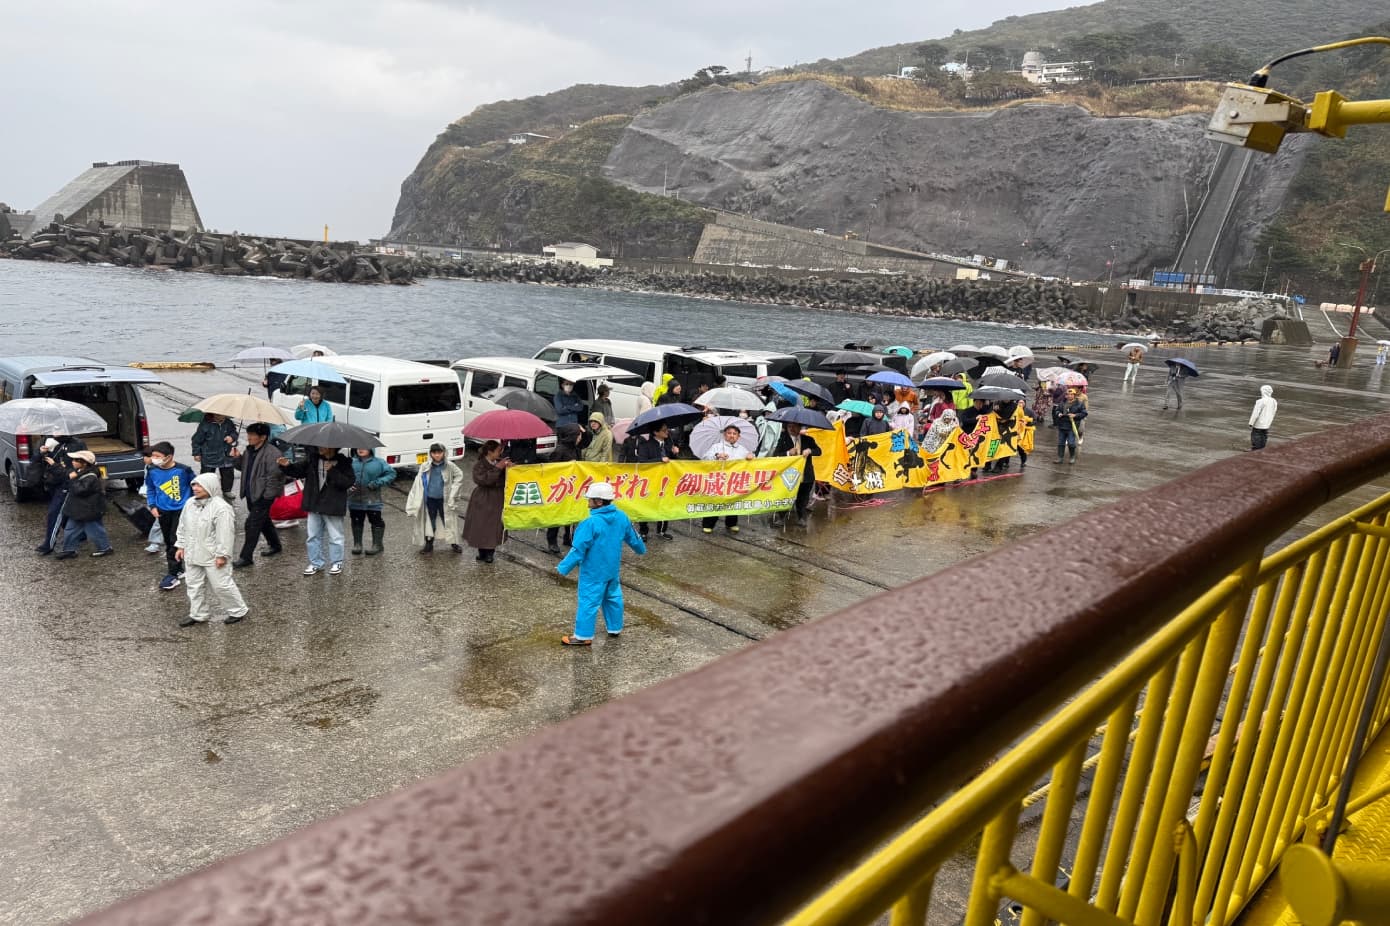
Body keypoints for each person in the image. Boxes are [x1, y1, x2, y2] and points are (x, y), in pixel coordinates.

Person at [556, 482, 646, 646]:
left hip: (593, 571)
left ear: (598, 501)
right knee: (613, 597)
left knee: (588, 602)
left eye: (590, 499)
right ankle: (614, 628)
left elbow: (578, 550)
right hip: (612, 569)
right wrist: (641, 550)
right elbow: (635, 538)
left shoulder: (589, 523)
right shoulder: (621, 516)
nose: (587, 502)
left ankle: (582, 636)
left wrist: (563, 568)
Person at [174, 473, 249, 627]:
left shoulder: (221, 508)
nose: (195, 488)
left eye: (199, 485)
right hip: (192, 552)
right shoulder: (190, 504)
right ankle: (198, 614)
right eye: (194, 485)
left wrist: (222, 555)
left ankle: (238, 610)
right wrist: (180, 545)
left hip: (212, 555)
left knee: (221, 585)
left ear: (210, 486)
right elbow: (182, 527)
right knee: (193, 585)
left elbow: (225, 534)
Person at [278, 445, 355, 576]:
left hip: (332, 505)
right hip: (314, 504)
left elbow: (347, 482)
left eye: (323, 446)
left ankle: (337, 562)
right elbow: (297, 471)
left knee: (335, 536)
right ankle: (316, 563)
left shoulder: (343, 462)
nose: (319, 448)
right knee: (313, 536)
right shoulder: (312, 459)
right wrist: (286, 466)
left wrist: (333, 471)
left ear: (332, 447)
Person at [230, 423, 285, 568]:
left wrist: (267, 498)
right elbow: (244, 468)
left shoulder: (273, 454)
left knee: (252, 524)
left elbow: (275, 478)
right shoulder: (249, 450)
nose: (249, 438)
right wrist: (237, 458)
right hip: (251, 494)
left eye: (252, 435)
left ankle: (246, 557)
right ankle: (275, 545)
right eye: (249, 434)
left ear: (263, 437)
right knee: (263, 520)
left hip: (263, 497)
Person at [146, 441, 197, 591]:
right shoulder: (152, 470)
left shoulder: (183, 470)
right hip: (162, 511)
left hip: (181, 511)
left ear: (169, 457)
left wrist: (194, 506)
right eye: (153, 455)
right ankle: (179, 568)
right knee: (168, 540)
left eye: (157, 456)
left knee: (175, 540)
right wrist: (153, 505)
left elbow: (195, 487)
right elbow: (151, 489)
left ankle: (172, 574)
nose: (154, 458)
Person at [34, 434, 87, 555]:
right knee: (67, 513)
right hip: (53, 483)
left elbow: (72, 472)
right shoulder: (48, 441)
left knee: (55, 513)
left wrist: (54, 465)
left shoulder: (77, 445)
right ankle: (82, 534)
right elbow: (35, 461)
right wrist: (41, 453)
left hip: (66, 485)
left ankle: (48, 544)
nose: (55, 432)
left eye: (58, 430)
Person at [54, 451, 113, 559]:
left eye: (76, 460)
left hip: (88, 510)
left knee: (95, 531)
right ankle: (69, 550)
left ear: (84, 463)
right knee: (70, 529)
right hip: (79, 509)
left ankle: (105, 548)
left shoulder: (91, 476)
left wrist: (72, 479)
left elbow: (80, 490)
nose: (73, 462)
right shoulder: (79, 471)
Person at [405, 443, 461, 553]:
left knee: (448, 521)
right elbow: (419, 481)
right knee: (430, 521)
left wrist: (454, 490)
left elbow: (459, 475)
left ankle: (454, 543)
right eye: (434, 453)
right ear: (430, 453)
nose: (437, 455)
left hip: (444, 499)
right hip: (430, 499)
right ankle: (429, 543)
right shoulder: (425, 465)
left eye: (439, 452)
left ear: (444, 453)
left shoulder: (449, 466)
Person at [463, 440, 511, 563]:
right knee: (481, 525)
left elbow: (507, 479)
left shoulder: (500, 462)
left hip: (497, 497)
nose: (500, 453)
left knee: (494, 526)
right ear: (490, 452)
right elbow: (483, 480)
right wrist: (497, 468)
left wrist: (509, 468)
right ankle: (482, 552)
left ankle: (490, 553)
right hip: (482, 497)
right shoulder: (479, 465)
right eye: (498, 451)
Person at [700, 423, 752, 534]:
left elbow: (752, 463)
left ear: (739, 436)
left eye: (734, 433)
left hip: (734, 481)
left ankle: (731, 523)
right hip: (719, 480)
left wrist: (751, 457)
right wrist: (717, 455)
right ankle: (708, 524)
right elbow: (704, 459)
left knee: (733, 502)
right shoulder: (717, 447)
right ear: (724, 435)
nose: (731, 435)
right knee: (715, 502)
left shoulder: (743, 449)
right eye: (729, 433)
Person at [349, 446, 396, 555]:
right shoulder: (351, 462)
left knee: (376, 521)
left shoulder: (379, 462)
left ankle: (377, 545)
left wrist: (377, 482)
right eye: (358, 447)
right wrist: (349, 484)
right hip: (354, 499)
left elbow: (391, 474)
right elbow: (344, 476)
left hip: (373, 499)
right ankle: (357, 544)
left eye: (364, 447)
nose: (360, 449)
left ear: (371, 449)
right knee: (356, 521)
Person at [635, 423, 677, 541]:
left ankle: (662, 530)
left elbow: (674, 464)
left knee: (664, 505)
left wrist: (675, 454)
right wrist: (659, 460)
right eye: (664, 430)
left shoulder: (669, 445)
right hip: (650, 482)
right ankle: (643, 532)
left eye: (667, 429)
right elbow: (642, 462)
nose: (667, 432)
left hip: (665, 481)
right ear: (655, 432)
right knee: (645, 505)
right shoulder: (646, 445)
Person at [546, 424, 584, 554]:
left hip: (572, 488)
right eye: (578, 434)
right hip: (560, 489)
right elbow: (552, 470)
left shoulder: (577, 449)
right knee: (557, 515)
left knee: (571, 513)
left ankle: (568, 537)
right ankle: (552, 541)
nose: (580, 437)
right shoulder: (559, 450)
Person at [775, 422, 821, 526]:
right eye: (789, 426)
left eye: (794, 426)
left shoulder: (808, 439)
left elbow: (819, 451)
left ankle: (801, 517)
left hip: (806, 474)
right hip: (788, 475)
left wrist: (810, 450)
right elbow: (776, 454)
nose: (791, 429)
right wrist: (787, 453)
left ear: (800, 427)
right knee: (785, 496)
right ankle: (781, 517)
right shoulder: (783, 439)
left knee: (803, 497)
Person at [191, 413, 239, 497]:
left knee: (228, 474)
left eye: (221, 415)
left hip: (225, 454)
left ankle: (227, 490)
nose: (219, 417)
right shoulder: (205, 425)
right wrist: (196, 453)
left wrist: (232, 437)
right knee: (207, 475)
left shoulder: (228, 423)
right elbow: (196, 440)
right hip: (209, 454)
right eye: (216, 415)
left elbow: (234, 432)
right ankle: (206, 490)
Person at [1053, 389, 1088, 464]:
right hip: (1062, 425)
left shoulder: (1079, 403)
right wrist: (1059, 413)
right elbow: (1057, 410)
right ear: (1066, 395)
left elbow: (1084, 413)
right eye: (1068, 394)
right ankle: (1060, 458)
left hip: (1072, 426)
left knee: (1071, 443)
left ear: (1074, 395)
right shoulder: (1062, 403)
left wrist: (1075, 415)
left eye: (1072, 394)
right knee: (1061, 443)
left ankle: (1072, 457)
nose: (1070, 396)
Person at [1249, 385, 1277, 451]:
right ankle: (1262, 448)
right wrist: (1270, 421)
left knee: (1256, 436)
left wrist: (1251, 422)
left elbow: (1255, 414)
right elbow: (1274, 412)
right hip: (1267, 423)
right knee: (1264, 435)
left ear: (1263, 391)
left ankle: (1256, 449)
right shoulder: (1274, 401)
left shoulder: (1260, 401)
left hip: (1258, 424)